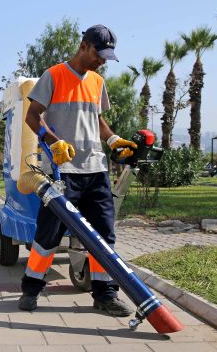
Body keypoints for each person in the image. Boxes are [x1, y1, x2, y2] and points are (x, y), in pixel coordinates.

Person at [19, 24, 138, 317]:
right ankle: (31, 289)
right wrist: (53, 141)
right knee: (49, 235)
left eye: (106, 57)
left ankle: (105, 295)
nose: (102, 61)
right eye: (99, 54)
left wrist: (112, 139)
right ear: (84, 46)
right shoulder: (54, 75)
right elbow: (32, 116)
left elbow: (95, 119)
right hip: (62, 171)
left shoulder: (97, 82)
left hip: (96, 169)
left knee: (103, 236)